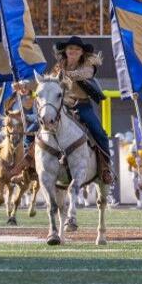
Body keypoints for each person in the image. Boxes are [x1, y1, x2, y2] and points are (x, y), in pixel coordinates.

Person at [47, 36, 114, 184]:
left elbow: (84, 74)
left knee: (99, 133)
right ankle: (30, 162)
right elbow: (50, 81)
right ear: (65, 50)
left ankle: (106, 167)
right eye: (70, 48)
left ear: (82, 52)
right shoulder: (59, 66)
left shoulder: (88, 64)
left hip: (82, 106)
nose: (73, 51)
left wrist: (64, 75)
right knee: (39, 126)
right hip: (62, 106)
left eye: (77, 49)